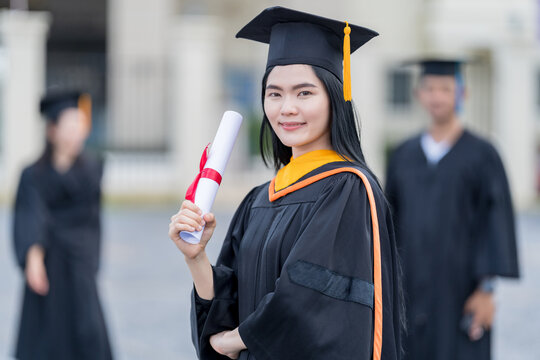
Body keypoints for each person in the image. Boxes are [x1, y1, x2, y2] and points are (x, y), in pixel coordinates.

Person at [168, 6, 402, 360]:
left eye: (304, 93)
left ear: (334, 98)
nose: (286, 108)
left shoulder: (347, 189)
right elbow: (233, 298)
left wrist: (233, 340)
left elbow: (309, 299)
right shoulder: (258, 199)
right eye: (274, 93)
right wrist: (197, 257)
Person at [385, 59, 520, 360]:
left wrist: (486, 290)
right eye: (430, 88)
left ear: (462, 94)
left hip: (462, 293)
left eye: (446, 89)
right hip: (408, 291)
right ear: (419, 94)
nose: (437, 96)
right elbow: (388, 222)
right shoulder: (403, 154)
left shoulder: (483, 154)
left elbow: (495, 222)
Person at [12, 91, 113, 360]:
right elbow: (30, 214)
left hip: (80, 262)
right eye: (69, 127)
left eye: (80, 126)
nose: (76, 134)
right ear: (52, 130)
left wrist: (91, 261)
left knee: (86, 330)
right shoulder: (32, 174)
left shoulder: (91, 170)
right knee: (47, 335)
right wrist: (34, 257)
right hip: (48, 262)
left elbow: (93, 221)